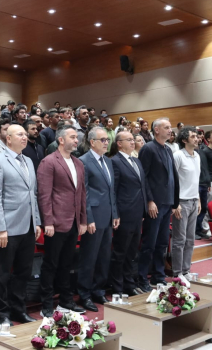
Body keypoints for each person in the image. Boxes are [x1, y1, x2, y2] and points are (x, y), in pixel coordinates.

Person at [0, 124, 42, 325]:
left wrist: (37, 221)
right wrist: (0, 228)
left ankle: (19, 309)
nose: (24, 137)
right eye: (20, 134)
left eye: (25, 134)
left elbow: (33, 194)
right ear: (8, 138)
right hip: (8, 227)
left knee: (23, 272)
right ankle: (2, 313)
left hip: (28, 225)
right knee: (2, 273)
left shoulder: (28, 160)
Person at [37, 125, 87, 317]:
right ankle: (47, 304)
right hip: (56, 222)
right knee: (50, 264)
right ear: (61, 140)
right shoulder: (49, 162)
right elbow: (44, 194)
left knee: (67, 263)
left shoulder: (78, 163)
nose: (76, 140)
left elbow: (81, 194)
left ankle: (66, 300)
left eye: (76, 137)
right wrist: (47, 222)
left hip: (73, 221)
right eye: (72, 137)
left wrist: (83, 220)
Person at [78, 126, 119, 311]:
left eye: (107, 140)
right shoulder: (83, 161)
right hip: (93, 217)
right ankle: (84, 294)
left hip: (107, 215)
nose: (106, 143)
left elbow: (111, 191)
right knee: (89, 258)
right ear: (92, 142)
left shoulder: (108, 161)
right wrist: (88, 218)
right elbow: (84, 193)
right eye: (102, 140)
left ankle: (98, 290)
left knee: (104, 256)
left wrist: (115, 213)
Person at [138, 118, 179, 291]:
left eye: (170, 127)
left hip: (167, 202)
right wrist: (149, 200)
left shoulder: (168, 149)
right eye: (166, 127)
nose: (170, 130)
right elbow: (143, 177)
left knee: (162, 243)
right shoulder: (148, 149)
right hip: (154, 203)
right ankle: (141, 278)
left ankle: (158, 275)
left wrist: (175, 202)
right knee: (149, 243)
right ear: (156, 130)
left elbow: (173, 177)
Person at [110, 130, 148, 297]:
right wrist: (116, 213)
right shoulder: (114, 161)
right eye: (129, 140)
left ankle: (129, 284)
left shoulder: (136, 160)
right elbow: (114, 190)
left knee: (132, 252)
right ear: (119, 143)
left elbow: (142, 186)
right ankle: (117, 287)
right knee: (120, 251)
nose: (133, 142)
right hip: (124, 214)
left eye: (133, 139)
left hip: (137, 213)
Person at [171, 127, 201, 282]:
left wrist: (198, 199)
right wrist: (175, 203)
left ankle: (186, 270)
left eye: (197, 136)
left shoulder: (197, 156)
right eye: (193, 136)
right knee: (179, 239)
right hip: (181, 202)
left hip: (194, 200)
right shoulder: (178, 155)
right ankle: (177, 273)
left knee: (190, 239)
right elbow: (172, 180)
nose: (197, 139)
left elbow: (196, 180)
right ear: (184, 140)